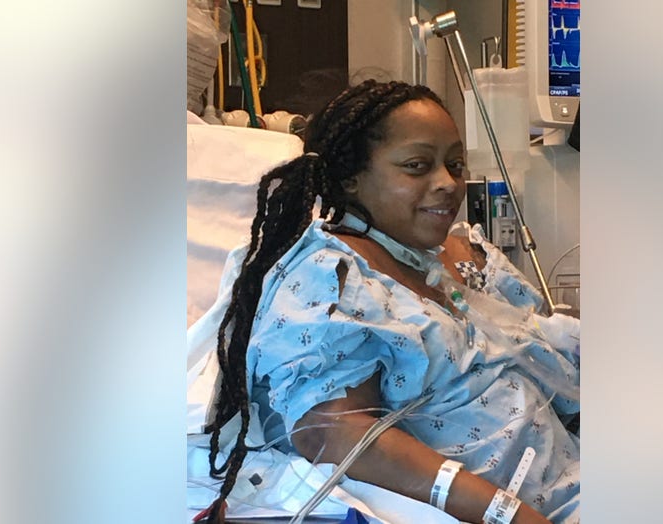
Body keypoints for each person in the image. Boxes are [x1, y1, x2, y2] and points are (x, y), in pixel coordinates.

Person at [203, 80, 580, 524]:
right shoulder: (330, 280)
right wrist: (506, 514)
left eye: (455, 165)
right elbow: (334, 435)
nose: (447, 184)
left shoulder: (470, 259)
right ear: (351, 178)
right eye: (418, 166)